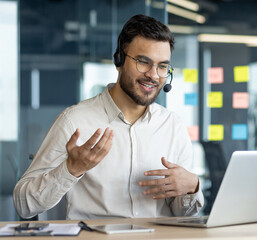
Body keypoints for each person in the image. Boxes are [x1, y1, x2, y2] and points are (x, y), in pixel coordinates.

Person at [13, 14, 204, 220]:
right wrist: (70, 169)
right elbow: (24, 206)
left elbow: (182, 214)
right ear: (119, 60)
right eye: (143, 61)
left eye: (162, 66)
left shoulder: (172, 126)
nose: (153, 75)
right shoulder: (74, 121)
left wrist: (192, 187)